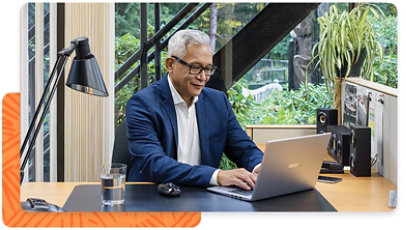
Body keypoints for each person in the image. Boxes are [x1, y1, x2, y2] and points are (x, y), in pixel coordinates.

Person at [126, 29, 263, 191]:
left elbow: (244, 148)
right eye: (196, 67)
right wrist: (217, 176)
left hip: (202, 197)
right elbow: (154, 164)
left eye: (208, 69)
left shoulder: (218, 102)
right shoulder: (142, 104)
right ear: (171, 65)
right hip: (154, 197)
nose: (203, 77)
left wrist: (258, 167)